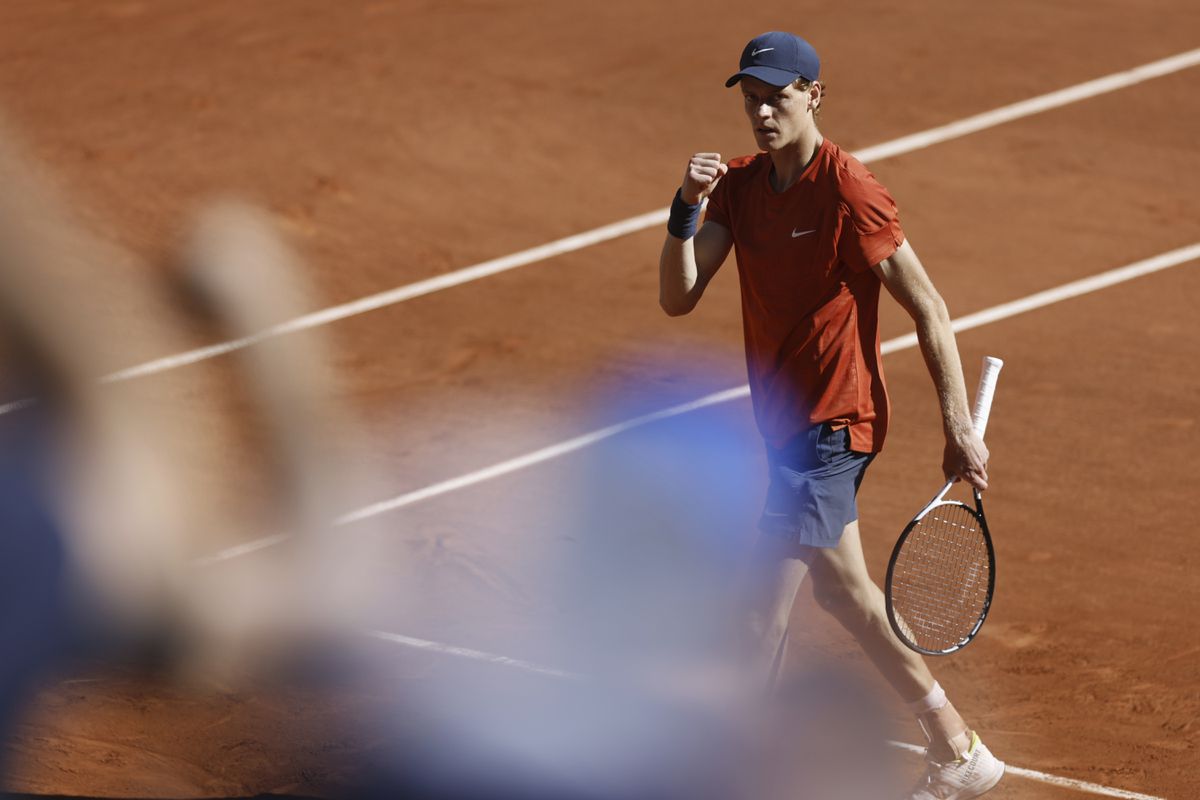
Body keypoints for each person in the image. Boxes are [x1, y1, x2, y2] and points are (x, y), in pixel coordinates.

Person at [657, 31, 1005, 799]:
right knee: (842, 592)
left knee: (758, 617)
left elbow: (931, 309)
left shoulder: (850, 192)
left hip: (832, 427)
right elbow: (679, 294)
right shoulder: (743, 189)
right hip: (783, 428)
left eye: (777, 96)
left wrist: (957, 425)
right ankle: (960, 750)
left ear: (815, 95)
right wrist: (686, 208)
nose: (761, 111)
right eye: (751, 97)